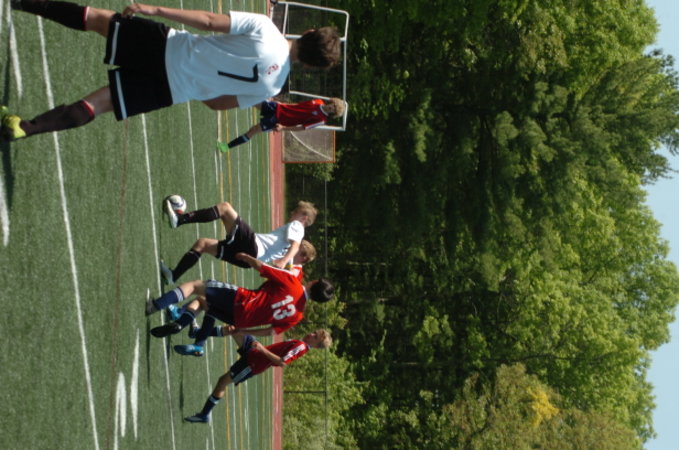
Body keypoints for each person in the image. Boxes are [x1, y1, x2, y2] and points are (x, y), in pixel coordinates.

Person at [2, 0, 341, 141]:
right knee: (99, 103)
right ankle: (25, 128)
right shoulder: (272, 88)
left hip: (168, 47)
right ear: (311, 66)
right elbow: (216, 104)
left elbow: (209, 21)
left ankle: (23, 2)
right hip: (173, 90)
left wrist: (155, 9)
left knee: (97, 19)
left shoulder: (267, 28)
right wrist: (197, 81)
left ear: (308, 32)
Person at [145, 252, 335, 356]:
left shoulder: (292, 283)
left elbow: (264, 268)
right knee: (204, 304)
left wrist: (247, 258)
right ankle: (182, 324)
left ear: (314, 282)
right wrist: (245, 331)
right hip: (241, 320)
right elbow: (271, 332)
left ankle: (156, 305)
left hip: (242, 300)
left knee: (195, 286)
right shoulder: (298, 316)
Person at [184, 329, 332, 424]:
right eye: (314, 332)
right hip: (254, 353)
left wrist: (262, 349)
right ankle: (199, 333)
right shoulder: (299, 343)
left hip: (253, 363)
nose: (311, 334)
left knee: (222, 381)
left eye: (315, 336)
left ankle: (204, 414)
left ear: (316, 345)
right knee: (235, 328)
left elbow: (282, 362)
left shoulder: (301, 346)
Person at [160, 199, 317, 284]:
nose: (292, 213)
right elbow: (292, 251)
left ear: (304, 218)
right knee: (203, 244)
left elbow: (295, 246)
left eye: (296, 212)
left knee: (225, 208)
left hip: (253, 247)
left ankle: (180, 220)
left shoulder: (298, 226)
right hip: (249, 260)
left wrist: (282, 261)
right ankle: (173, 275)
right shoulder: (292, 241)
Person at [227, 97, 346, 148]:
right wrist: (282, 103)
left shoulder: (321, 120)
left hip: (281, 120)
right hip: (279, 107)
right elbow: (298, 105)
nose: (332, 108)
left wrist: (283, 128)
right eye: (333, 105)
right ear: (332, 102)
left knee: (253, 130)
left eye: (334, 110)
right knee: (252, 101)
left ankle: (227, 146)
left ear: (333, 113)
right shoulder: (318, 101)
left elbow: (302, 127)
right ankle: (225, 99)